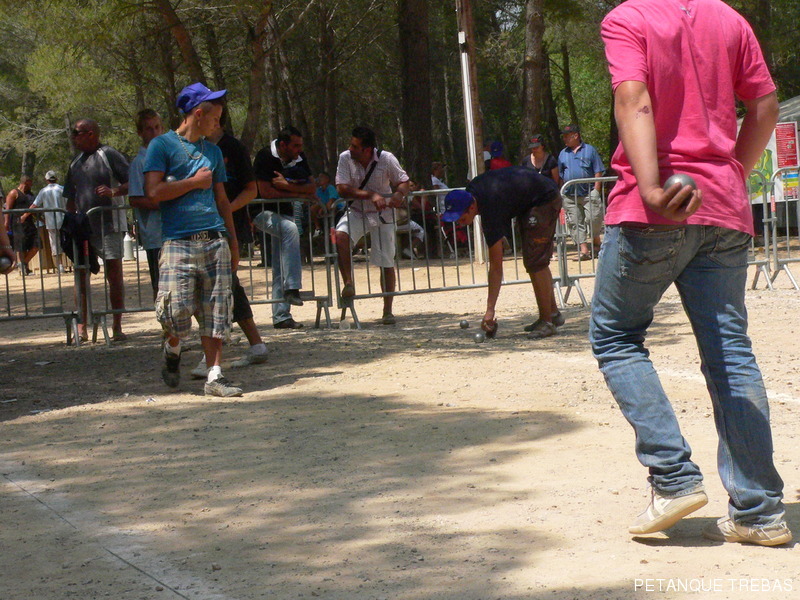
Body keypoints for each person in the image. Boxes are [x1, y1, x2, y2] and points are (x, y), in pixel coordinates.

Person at [593, 0, 791, 546]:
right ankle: (759, 512)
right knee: (730, 351)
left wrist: (652, 187)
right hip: (723, 206)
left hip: (654, 207)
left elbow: (633, 98)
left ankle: (674, 478)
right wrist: (732, 174)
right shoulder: (730, 19)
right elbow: (765, 107)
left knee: (615, 336)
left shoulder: (628, 18)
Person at [144, 82, 242, 397]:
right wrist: (193, 182)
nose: (218, 124)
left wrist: (232, 241)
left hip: (214, 239)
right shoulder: (161, 146)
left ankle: (215, 376)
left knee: (217, 310)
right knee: (175, 311)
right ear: (198, 114)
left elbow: (222, 200)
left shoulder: (213, 152)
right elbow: (153, 192)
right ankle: (172, 347)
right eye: (215, 118)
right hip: (178, 241)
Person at [440, 166, 563, 339]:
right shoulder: (473, 194)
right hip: (532, 199)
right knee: (534, 260)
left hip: (544, 198)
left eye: (460, 217)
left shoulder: (489, 207)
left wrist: (490, 310)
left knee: (536, 262)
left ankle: (547, 322)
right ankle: (552, 314)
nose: (458, 223)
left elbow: (496, 267)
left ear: (472, 207)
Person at [191, 111, 268, 374]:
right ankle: (254, 344)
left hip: (227, 228)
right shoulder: (195, 147)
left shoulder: (233, 148)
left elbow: (251, 189)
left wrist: (227, 211)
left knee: (221, 288)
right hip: (203, 228)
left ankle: (214, 355)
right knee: (222, 287)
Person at [334, 126, 410, 325]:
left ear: (367, 150)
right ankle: (348, 283)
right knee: (340, 235)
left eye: (354, 146)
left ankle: (387, 310)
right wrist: (370, 195)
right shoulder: (345, 158)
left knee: (387, 261)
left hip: (383, 214)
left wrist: (399, 194)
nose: (350, 148)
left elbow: (404, 181)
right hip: (356, 211)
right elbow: (341, 188)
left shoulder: (387, 159)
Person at [63, 118, 130, 341]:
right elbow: (70, 198)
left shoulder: (109, 154)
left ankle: (117, 326)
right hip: (83, 230)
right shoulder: (75, 162)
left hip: (110, 225)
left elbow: (134, 181)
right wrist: (70, 223)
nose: (73, 137)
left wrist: (114, 191)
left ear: (91, 133)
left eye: (76, 133)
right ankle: (82, 326)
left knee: (114, 275)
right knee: (81, 275)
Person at [253, 125, 313, 329]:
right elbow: (266, 192)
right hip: (261, 212)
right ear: (282, 145)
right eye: (295, 146)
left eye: (300, 146)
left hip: (285, 212)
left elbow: (312, 186)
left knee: (280, 264)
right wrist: (298, 193)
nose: (299, 150)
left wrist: (287, 186)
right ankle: (293, 288)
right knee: (290, 229)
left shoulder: (300, 157)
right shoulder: (264, 156)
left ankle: (281, 316)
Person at [127, 109, 164, 298]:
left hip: (177, 231)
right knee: (160, 285)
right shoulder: (139, 163)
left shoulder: (168, 158)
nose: (155, 132)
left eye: (157, 127)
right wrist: (163, 203)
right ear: (140, 132)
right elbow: (134, 198)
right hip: (155, 235)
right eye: (149, 129)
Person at [557, 124, 605, 260]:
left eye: (567, 136)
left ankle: (596, 240)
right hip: (570, 195)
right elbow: (561, 175)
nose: (564, 139)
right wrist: (561, 192)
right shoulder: (563, 153)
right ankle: (584, 251)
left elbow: (598, 170)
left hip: (589, 193)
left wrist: (596, 190)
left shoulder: (590, 150)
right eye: (563, 136)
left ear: (576, 135)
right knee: (575, 222)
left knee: (593, 218)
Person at [23, 171, 67, 273]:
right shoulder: (62, 189)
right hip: (65, 219)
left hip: (51, 221)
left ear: (46, 180)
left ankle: (60, 265)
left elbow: (34, 205)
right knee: (67, 241)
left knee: (55, 242)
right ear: (56, 179)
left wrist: (25, 215)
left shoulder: (43, 191)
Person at [5, 175, 39, 275]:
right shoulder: (14, 193)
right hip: (17, 223)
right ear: (26, 182)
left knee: (37, 245)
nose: (31, 185)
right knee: (22, 247)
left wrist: (41, 219)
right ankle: (25, 269)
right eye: (30, 183)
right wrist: (6, 223)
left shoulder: (30, 194)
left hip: (30, 222)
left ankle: (23, 264)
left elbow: (33, 208)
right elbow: (7, 209)